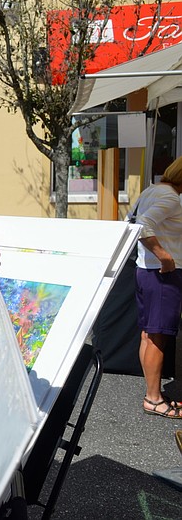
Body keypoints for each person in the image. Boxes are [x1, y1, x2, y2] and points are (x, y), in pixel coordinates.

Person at [133, 156, 182, 419]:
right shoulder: (171, 197)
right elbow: (143, 224)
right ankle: (153, 398)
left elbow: (133, 220)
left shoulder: (152, 190)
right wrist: (164, 255)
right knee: (158, 336)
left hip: (146, 271)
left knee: (149, 335)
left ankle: (153, 393)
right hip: (162, 274)